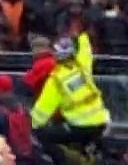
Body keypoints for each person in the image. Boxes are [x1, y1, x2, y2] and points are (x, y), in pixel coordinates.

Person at [30, 33, 109, 165]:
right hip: (102, 122)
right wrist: (81, 35)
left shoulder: (56, 80)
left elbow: (41, 111)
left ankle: (65, 161)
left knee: (42, 135)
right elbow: (86, 50)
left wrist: (32, 125)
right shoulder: (82, 65)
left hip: (79, 126)